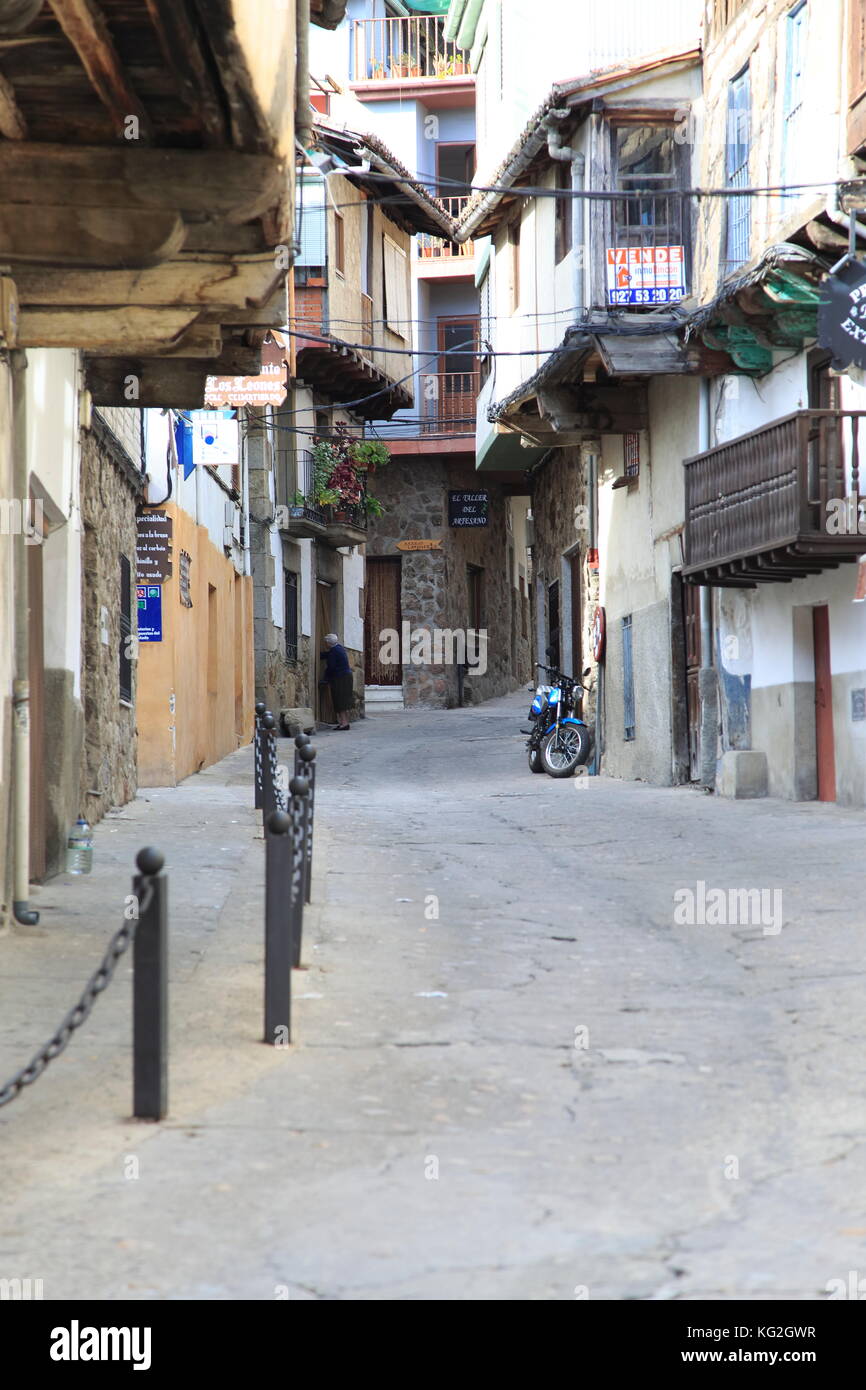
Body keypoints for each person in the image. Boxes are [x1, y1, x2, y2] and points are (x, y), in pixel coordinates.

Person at [319, 633, 353, 730]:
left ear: (328, 643)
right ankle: (345, 722)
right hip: (346, 676)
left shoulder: (334, 651)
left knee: (339, 700)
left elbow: (331, 667)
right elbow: (328, 655)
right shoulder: (339, 648)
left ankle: (344, 723)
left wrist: (326, 679)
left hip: (340, 678)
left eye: (326, 642)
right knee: (344, 700)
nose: (325, 644)